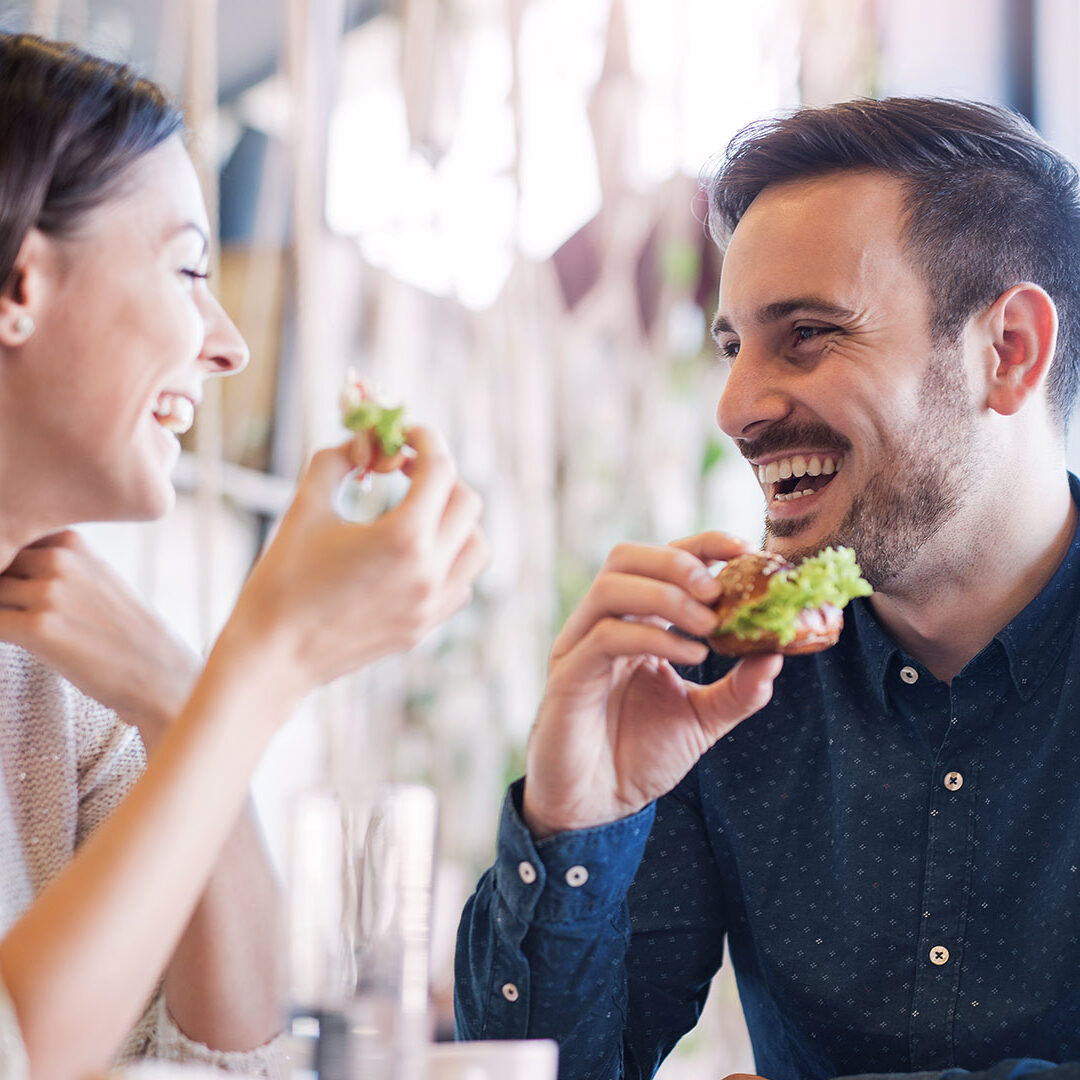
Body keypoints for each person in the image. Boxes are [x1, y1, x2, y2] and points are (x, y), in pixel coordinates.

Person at [454, 96, 1080, 1080]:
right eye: (732, 346)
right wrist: (578, 821)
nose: (737, 407)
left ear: (1008, 353)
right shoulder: (718, 684)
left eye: (809, 335)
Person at [0, 31, 487, 1080]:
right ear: (21, 284)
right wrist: (260, 670)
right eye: (186, 269)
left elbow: (241, 1066)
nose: (230, 345)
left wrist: (184, 696)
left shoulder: (58, 672)